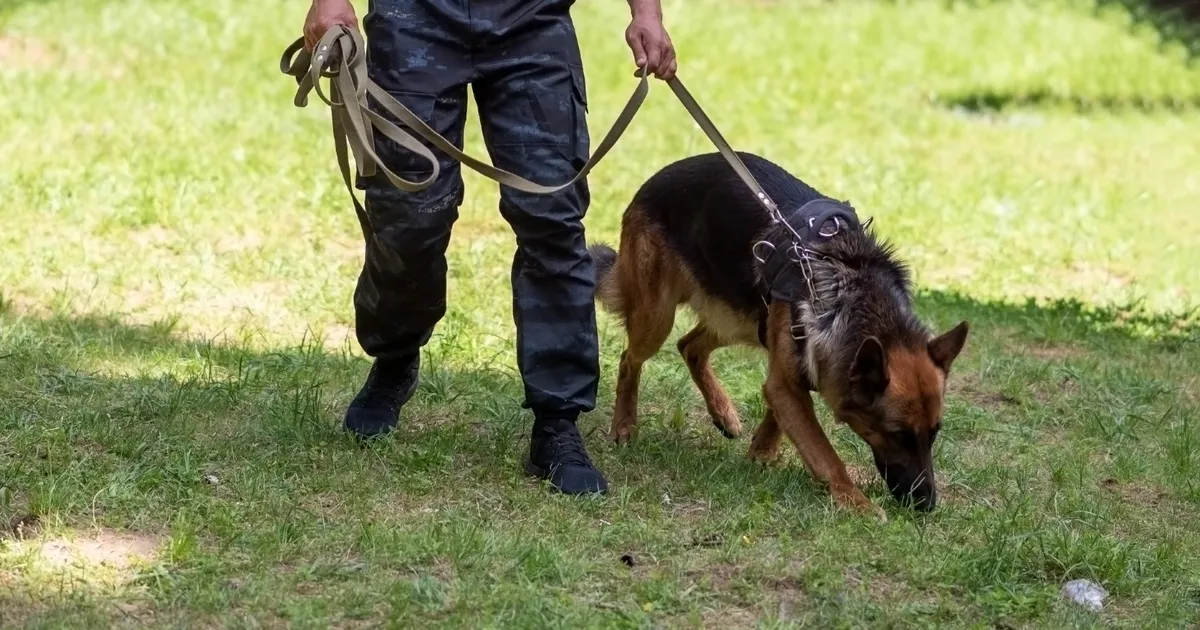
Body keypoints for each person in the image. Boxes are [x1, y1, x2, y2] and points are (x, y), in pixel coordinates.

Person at [301, 0, 677, 495]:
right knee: (408, 214)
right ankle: (395, 356)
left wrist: (646, 13)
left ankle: (557, 423)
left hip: (531, 20)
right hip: (414, 17)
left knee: (552, 221)